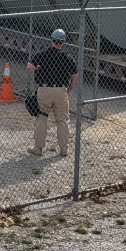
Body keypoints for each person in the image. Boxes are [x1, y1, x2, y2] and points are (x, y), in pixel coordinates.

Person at [26, 28, 79, 157]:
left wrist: (38, 67)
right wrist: (70, 88)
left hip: (44, 89)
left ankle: (38, 148)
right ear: (63, 42)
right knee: (62, 120)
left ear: (51, 40)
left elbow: (29, 66)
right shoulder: (67, 57)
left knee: (42, 117)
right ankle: (64, 150)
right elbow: (75, 75)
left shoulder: (42, 54)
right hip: (61, 90)